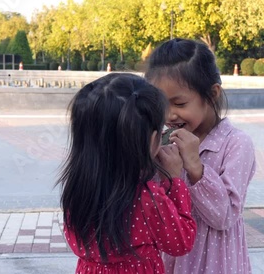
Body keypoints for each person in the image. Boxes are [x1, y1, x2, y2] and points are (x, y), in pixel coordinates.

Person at [56, 73, 196, 274]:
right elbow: (181, 242)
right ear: (152, 140)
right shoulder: (148, 198)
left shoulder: (78, 189)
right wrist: (173, 182)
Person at [145, 39, 256, 274]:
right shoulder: (163, 142)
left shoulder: (235, 144)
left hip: (216, 263)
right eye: (160, 104)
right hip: (171, 258)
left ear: (212, 94)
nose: (169, 114)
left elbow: (225, 216)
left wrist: (196, 168)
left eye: (180, 103)